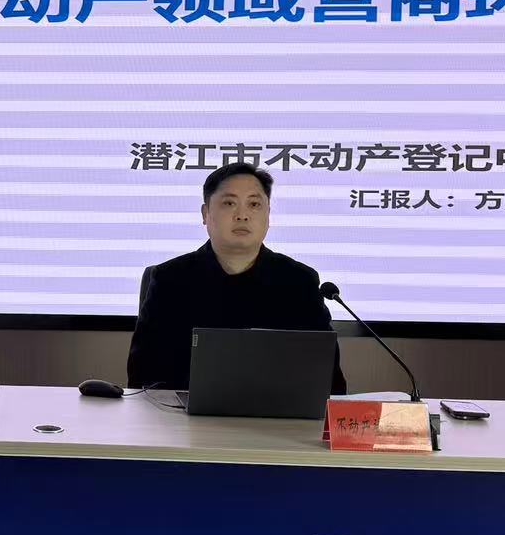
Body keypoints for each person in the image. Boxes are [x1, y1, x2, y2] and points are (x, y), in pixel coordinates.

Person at [126, 162, 346, 393]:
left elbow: (330, 382)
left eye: (254, 204)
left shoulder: (299, 282)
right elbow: (142, 376)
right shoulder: (170, 280)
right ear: (205, 214)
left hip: (280, 414)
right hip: (183, 413)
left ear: (268, 215)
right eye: (229, 203)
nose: (242, 215)